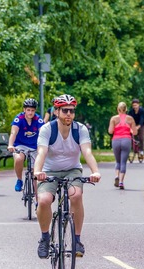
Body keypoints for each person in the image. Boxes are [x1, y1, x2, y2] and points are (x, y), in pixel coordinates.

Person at [34, 94, 101, 259]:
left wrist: (95, 171)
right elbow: (41, 153)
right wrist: (38, 171)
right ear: (56, 112)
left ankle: (77, 240)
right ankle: (45, 238)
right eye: (65, 111)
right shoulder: (47, 130)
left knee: (76, 196)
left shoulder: (80, 130)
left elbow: (87, 152)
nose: (69, 114)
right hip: (49, 171)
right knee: (44, 200)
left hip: (72, 170)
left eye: (71, 111)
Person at [8, 98, 44, 192]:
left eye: (32, 110)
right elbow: (13, 132)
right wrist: (10, 145)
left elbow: (43, 133)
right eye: (28, 110)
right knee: (19, 159)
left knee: (35, 172)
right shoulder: (18, 118)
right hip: (20, 145)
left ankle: (38, 200)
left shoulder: (38, 119)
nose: (30, 112)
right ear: (24, 110)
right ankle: (19, 180)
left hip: (34, 146)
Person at [108, 102, 137, 190]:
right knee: (123, 162)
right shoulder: (130, 119)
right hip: (126, 140)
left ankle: (116, 175)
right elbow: (135, 132)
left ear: (118, 109)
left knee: (118, 161)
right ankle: (121, 182)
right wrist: (130, 130)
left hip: (116, 140)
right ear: (126, 109)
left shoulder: (114, 119)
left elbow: (110, 131)